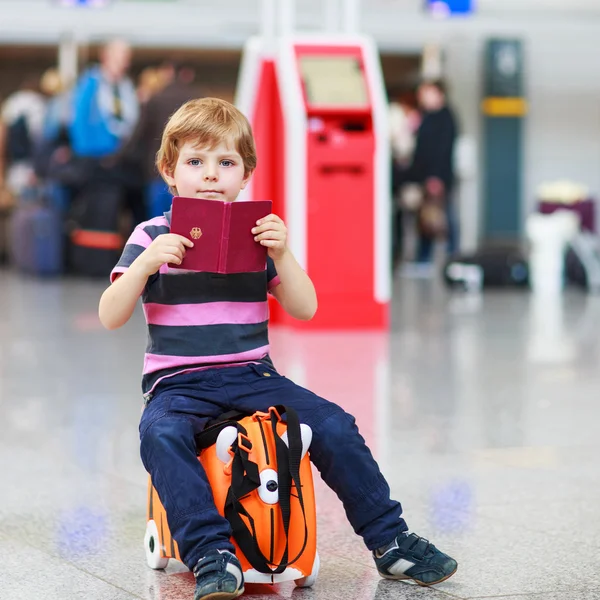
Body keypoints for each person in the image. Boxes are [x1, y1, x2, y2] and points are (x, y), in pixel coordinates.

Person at [98, 98, 458, 600]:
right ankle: (210, 552)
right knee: (160, 436)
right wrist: (143, 267)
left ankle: (389, 539)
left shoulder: (254, 236)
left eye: (226, 163)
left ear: (245, 174)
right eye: (195, 162)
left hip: (253, 376)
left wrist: (282, 254)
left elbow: (305, 307)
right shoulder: (150, 234)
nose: (210, 175)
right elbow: (109, 314)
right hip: (176, 382)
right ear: (169, 171)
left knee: (334, 423)